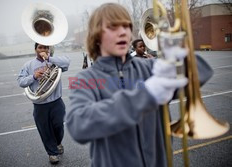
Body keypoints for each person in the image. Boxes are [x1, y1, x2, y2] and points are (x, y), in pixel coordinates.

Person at [66, 3, 213, 167]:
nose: (123, 32)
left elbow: (204, 71)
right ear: (96, 35)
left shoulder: (150, 67)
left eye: (127, 26)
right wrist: (146, 94)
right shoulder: (86, 79)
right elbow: (78, 125)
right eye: (113, 27)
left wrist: (181, 58)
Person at [17, 43, 70, 164]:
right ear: (35, 49)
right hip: (40, 105)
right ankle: (52, 153)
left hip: (56, 102)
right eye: (40, 47)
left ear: (49, 49)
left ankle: (57, 143)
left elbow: (67, 63)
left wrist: (49, 58)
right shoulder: (28, 65)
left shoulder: (55, 62)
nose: (43, 50)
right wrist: (34, 77)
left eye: (46, 47)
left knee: (59, 126)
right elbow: (20, 81)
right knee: (45, 130)